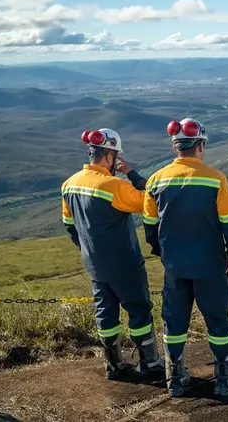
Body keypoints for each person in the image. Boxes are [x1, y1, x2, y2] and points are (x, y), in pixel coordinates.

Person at [142, 118, 228, 397]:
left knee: (174, 322)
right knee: (218, 322)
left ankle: (174, 379)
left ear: (176, 147)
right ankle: (223, 378)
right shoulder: (216, 179)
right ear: (199, 145)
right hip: (210, 264)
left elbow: (150, 227)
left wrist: (163, 252)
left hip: (175, 266)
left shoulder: (155, 180)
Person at [61, 128, 165, 381]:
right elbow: (152, 201)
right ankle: (150, 363)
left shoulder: (69, 183)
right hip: (124, 261)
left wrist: (89, 250)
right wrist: (130, 173)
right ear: (109, 156)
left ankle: (114, 365)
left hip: (94, 264)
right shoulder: (114, 185)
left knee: (105, 312)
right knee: (139, 310)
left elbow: (69, 225)